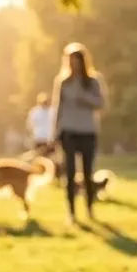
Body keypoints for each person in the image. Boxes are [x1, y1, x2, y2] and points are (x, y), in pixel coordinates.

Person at [52, 42, 106, 224]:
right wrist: (55, 131)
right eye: (71, 60)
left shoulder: (93, 81)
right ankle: (71, 213)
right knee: (69, 173)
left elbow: (100, 104)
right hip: (68, 131)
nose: (73, 64)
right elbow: (57, 108)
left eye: (77, 61)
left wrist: (83, 96)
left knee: (88, 172)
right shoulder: (63, 82)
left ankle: (90, 209)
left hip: (87, 131)